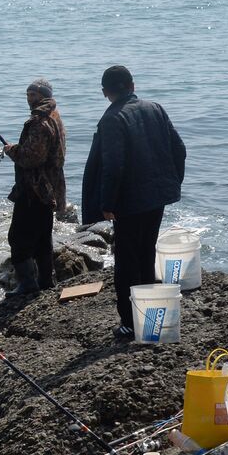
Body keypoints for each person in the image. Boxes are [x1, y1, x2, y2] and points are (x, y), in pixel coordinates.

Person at [81, 65, 186, 339]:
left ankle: (130, 322)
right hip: (156, 197)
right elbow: (180, 149)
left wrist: (107, 203)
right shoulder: (155, 108)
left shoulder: (112, 119)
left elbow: (113, 167)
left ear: (105, 92)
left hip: (129, 202)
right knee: (146, 252)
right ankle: (151, 315)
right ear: (132, 85)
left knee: (127, 260)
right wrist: (173, 182)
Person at [0, 80, 66, 294]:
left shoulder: (39, 121)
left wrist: (12, 150)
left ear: (42, 95)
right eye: (27, 94)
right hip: (49, 188)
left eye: (33, 94)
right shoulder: (55, 115)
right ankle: (46, 281)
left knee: (18, 237)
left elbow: (31, 158)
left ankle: (28, 284)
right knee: (42, 237)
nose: (29, 98)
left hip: (35, 189)